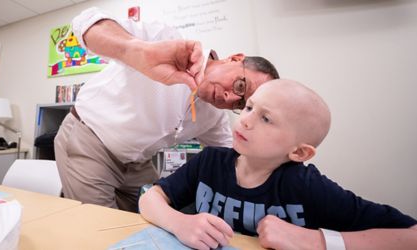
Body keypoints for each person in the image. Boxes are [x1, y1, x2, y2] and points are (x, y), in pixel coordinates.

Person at [139, 79, 417, 250]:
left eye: (266, 118)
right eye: (250, 107)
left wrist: (315, 241)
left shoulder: (305, 185)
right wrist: (179, 222)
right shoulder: (210, 160)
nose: (246, 120)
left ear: (300, 152)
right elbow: (150, 199)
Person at [54, 7, 279, 212]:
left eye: (241, 104)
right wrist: (137, 51)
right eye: (240, 85)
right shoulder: (165, 40)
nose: (230, 98)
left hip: (137, 162)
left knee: (152, 217)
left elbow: (232, 157)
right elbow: (86, 22)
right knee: (98, 229)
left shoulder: (214, 118)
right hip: (89, 141)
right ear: (235, 59)